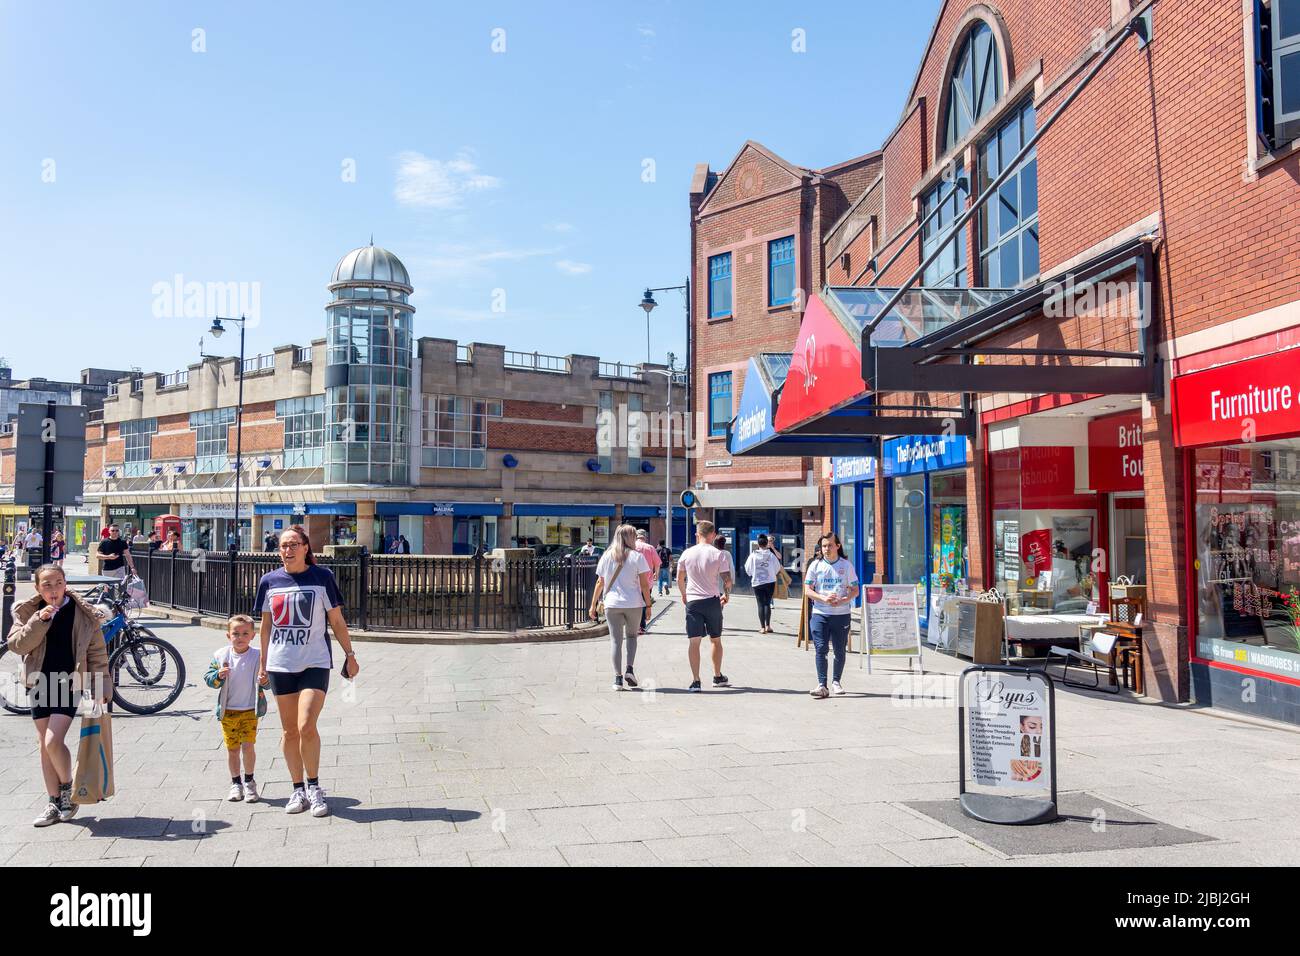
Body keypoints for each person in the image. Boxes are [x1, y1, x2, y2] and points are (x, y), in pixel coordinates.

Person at [254, 525, 359, 818]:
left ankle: (314, 786)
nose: (287, 550)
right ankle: (297, 788)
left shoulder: (322, 577)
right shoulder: (269, 580)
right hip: (280, 663)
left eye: (292, 545)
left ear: (305, 548)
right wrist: (262, 664)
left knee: (305, 726)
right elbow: (265, 627)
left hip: (314, 660)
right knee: (288, 730)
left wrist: (350, 655)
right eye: (283, 546)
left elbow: (336, 620)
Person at [7, 565, 112, 827]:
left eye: (58, 583)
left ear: (65, 583)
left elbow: (97, 653)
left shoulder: (83, 613)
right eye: (46, 585)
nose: (53, 590)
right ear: (37, 588)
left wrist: (102, 687)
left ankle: (68, 790)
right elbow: (17, 645)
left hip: (69, 682)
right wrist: (38, 621)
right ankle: (54, 802)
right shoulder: (28, 611)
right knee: (44, 744)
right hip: (38, 681)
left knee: (54, 740)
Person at [204, 614, 270, 803]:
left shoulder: (259, 656)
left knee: (248, 746)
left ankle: (249, 782)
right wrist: (218, 675)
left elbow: (268, 681)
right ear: (228, 636)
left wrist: (265, 680)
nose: (240, 637)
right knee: (232, 749)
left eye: (245, 633)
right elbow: (208, 679)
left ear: (253, 635)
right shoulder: (221, 655)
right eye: (236, 633)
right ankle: (236, 783)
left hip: (250, 710)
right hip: (228, 711)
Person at [588, 524, 652, 691]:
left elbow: (600, 582)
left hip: (612, 604)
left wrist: (593, 604)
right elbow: (645, 585)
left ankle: (617, 679)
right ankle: (629, 669)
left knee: (616, 641)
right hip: (634, 603)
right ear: (631, 538)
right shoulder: (637, 557)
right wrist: (649, 605)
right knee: (631, 637)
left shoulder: (607, 556)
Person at [676, 520, 732, 692]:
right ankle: (717, 676)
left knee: (694, 642)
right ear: (713, 535)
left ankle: (696, 680)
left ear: (697, 534)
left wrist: (684, 594)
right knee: (715, 640)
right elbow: (727, 580)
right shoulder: (719, 554)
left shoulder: (686, 553)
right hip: (712, 601)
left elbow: (679, 578)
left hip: (693, 601)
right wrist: (726, 595)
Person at [802, 532, 860, 699]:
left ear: (837, 546)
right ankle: (822, 685)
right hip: (820, 613)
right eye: (824, 546)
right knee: (821, 648)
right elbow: (807, 590)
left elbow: (855, 589)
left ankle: (836, 682)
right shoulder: (815, 565)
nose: (826, 549)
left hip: (841, 614)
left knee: (840, 650)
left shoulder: (846, 566)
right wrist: (823, 598)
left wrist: (844, 599)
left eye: (830, 545)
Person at [745, 534, 782, 634]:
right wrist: (771, 574)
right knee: (767, 603)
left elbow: (748, 568)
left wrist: (752, 574)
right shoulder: (771, 555)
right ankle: (768, 626)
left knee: (760, 604)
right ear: (767, 543)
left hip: (757, 582)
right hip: (770, 581)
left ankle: (762, 627)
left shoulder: (753, 555)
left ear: (758, 544)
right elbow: (777, 567)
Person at [633, 529, 661, 635]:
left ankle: (633, 625)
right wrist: (656, 574)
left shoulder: (631, 547)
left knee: (633, 603)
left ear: (636, 536)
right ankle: (641, 626)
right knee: (644, 602)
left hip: (632, 581)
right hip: (647, 581)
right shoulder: (650, 548)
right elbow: (657, 563)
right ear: (645, 537)